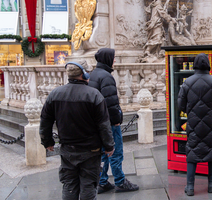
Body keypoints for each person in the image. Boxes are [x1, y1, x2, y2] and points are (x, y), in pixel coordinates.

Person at [40, 60, 115, 200]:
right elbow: (104, 124)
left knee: (69, 185)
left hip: (68, 149)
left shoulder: (55, 94)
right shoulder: (94, 95)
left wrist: (47, 141)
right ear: (84, 74)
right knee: (88, 185)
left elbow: (45, 120)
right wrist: (109, 145)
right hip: (90, 150)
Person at [89, 48, 139, 193]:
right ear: (107, 59)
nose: (115, 60)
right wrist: (116, 120)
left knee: (104, 153)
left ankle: (102, 181)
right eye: (113, 57)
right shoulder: (106, 77)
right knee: (115, 152)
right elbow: (110, 103)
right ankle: (120, 181)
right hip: (109, 123)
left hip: (97, 122)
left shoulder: (94, 75)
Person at [177, 53, 212, 196]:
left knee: (193, 152)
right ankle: (211, 185)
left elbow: (180, 104)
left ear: (195, 65)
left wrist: (189, 110)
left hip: (194, 123)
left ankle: (190, 187)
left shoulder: (187, 82)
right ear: (208, 64)